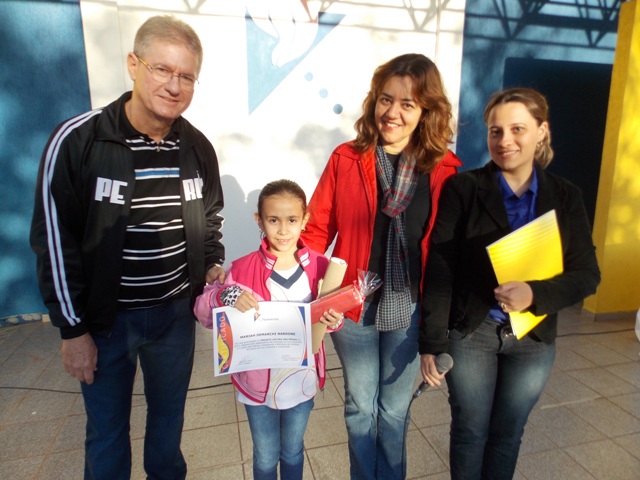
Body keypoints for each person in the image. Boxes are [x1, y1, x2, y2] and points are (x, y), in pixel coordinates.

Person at [30, 15, 224, 480]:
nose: (174, 86)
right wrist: (73, 331)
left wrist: (212, 263)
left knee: (168, 423)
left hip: (174, 318)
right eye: (162, 69)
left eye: (186, 76)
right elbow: (54, 240)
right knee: (107, 433)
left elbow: (210, 216)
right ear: (133, 65)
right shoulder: (79, 140)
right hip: (105, 322)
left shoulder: (197, 147)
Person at [419, 87, 601, 479]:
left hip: (533, 337)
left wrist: (536, 293)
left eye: (518, 129)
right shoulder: (464, 190)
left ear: (542, 131)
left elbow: (587, 275)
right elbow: (441, 269)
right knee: (470, 431)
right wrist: (432, 342)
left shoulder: (565, 196)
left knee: (507, 435)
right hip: (473, 332)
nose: (505, 141)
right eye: (495, 131)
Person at [302, 53, 462, 479]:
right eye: (385, 99)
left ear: (426, 110)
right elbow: (316, 230)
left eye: (407, 104)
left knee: (393, 411)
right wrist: (310, 293)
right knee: (359, 406)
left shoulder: (445, 171)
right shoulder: (347, 158)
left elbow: (451, 253)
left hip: (409, 310)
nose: (392, 112)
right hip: (350, 308)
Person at [193, 179, 344, 480]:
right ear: (259, 221)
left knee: (293, 451)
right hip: (256, 385)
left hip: (301, 381)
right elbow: (203, 313)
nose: (283, 230)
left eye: (292, 220)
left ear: (305, 220)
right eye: (273, 220)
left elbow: (332, 318)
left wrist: (333, 320)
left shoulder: (320, 266)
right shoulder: (242, 268)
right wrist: (225, 295)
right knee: (264, 455)